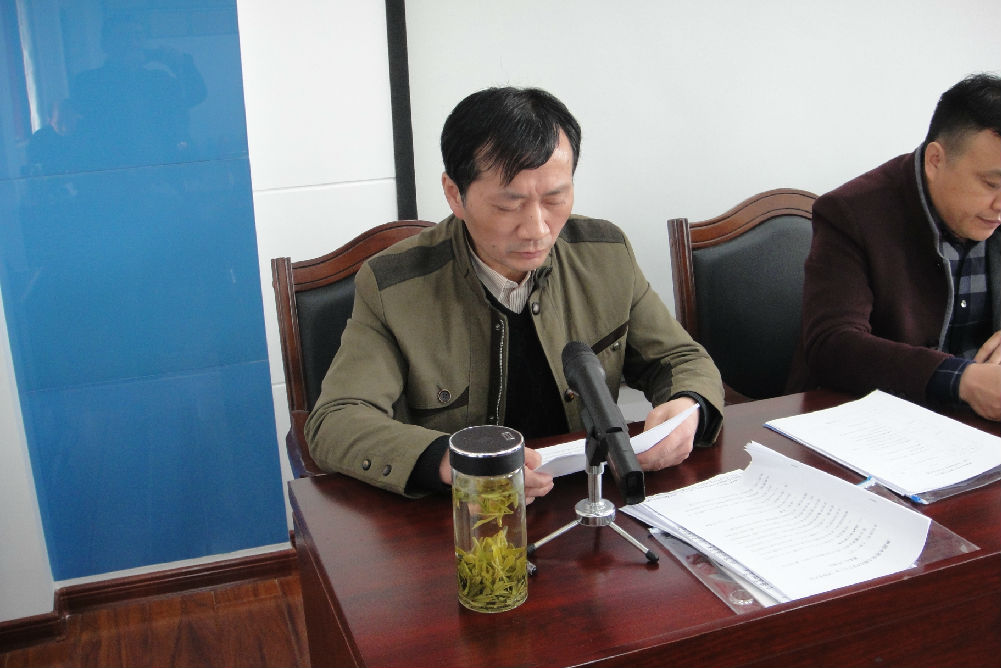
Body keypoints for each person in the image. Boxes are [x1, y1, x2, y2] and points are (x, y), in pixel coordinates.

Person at [305, 86, 725, 499]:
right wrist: (453, 461)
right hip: (466, 517)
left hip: (586, 498)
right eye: (508, 205)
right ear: (454, 194)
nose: (537, 229)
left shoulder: (606, 254)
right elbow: (336, 420)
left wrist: (690, 406)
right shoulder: (393, 287)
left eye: (556, 199)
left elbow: (679, 359)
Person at [788, 73, 1001, 421]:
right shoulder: (851, 213)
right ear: (935, 160)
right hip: (869, 422)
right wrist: (961, 380)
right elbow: (832, 344)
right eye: (991, 183)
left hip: (979, 427)